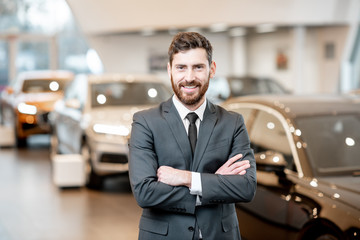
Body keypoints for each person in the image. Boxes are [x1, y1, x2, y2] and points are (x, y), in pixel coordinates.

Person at [129, 32, 256, 240]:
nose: (189, 77)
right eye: (181, 67)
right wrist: (214, 183)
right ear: (169, 70)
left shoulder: (233, 123)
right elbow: (145, 192)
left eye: (198, 67)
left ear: (211, 69)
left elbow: (246, 187)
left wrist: (186, 178)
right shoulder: (145, 122)